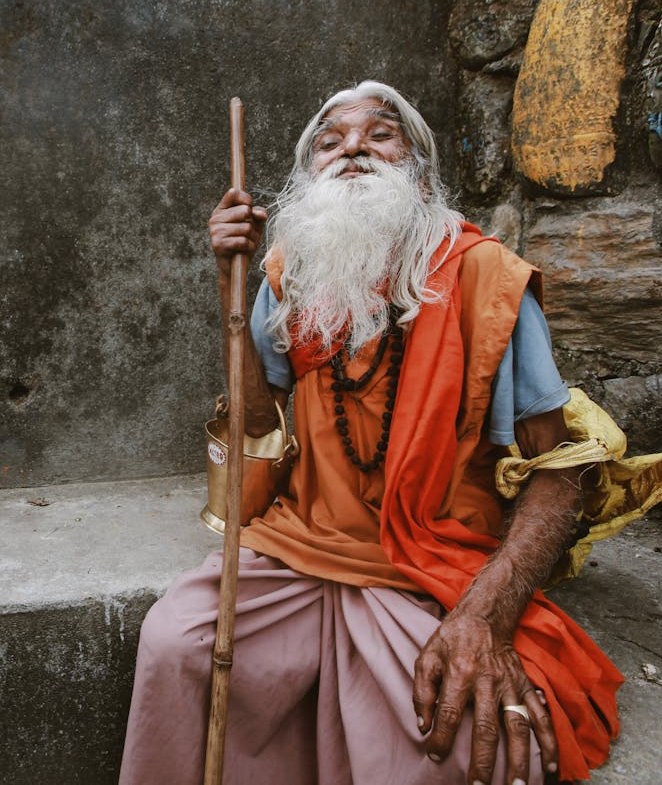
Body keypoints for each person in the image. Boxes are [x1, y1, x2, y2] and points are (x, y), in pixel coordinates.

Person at [119, 81, 624, 785]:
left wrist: (487, 614)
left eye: (380, 133)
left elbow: (561, 468)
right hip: (301, 543)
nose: (352, 146)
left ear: (420, 169)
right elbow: (257, 429)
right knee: (177, 646)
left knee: (454, 744)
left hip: (434, 567)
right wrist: (227, 289)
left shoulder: (486, 277)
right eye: (329, 141)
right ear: (307, 178)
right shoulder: (289, 274)